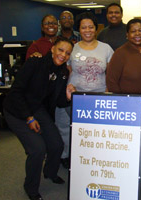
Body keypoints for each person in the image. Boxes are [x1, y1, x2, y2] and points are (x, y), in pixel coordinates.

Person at [3, 37, 76, 200]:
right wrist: (28, 117)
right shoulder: (34, 63)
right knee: (37, 149)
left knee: (57, 144)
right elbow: (16, 92)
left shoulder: (63, 72)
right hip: (16, 109)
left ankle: (50, 173)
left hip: (37, 109)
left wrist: (68, 96)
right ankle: (30, 188)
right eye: (60, 50)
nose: (63, 55)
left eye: (67, 53)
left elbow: (58, 101)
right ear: (52, 49)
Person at [106, 18, 141, 181]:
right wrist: (125, 104)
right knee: (132, 145)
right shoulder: (120, 54)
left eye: (140, 30)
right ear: (127, 34)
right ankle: (130, 176)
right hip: (130, 109)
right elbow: (112, 83)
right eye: (133, 31)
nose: (138, 34)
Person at [55, 10, 81, 169]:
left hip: (72, 88)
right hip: (58, 88)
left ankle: (78, 155)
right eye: (63, 17)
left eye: (69, 17)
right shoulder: (55, 38)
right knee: (62, 126)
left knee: (77, 126)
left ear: (73, 21)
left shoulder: (79, 37)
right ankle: (64, 156)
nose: (66, 20)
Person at [69, 12, 113, 92]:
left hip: (100, 94)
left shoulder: (106, 48)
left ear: (96, 29)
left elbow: (112, 74)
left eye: (91, 27)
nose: (87, 30)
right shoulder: (72, 48)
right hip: (76, 94)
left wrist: (108, 91)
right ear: (79, 29)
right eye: (83, 27)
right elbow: (68, 72)